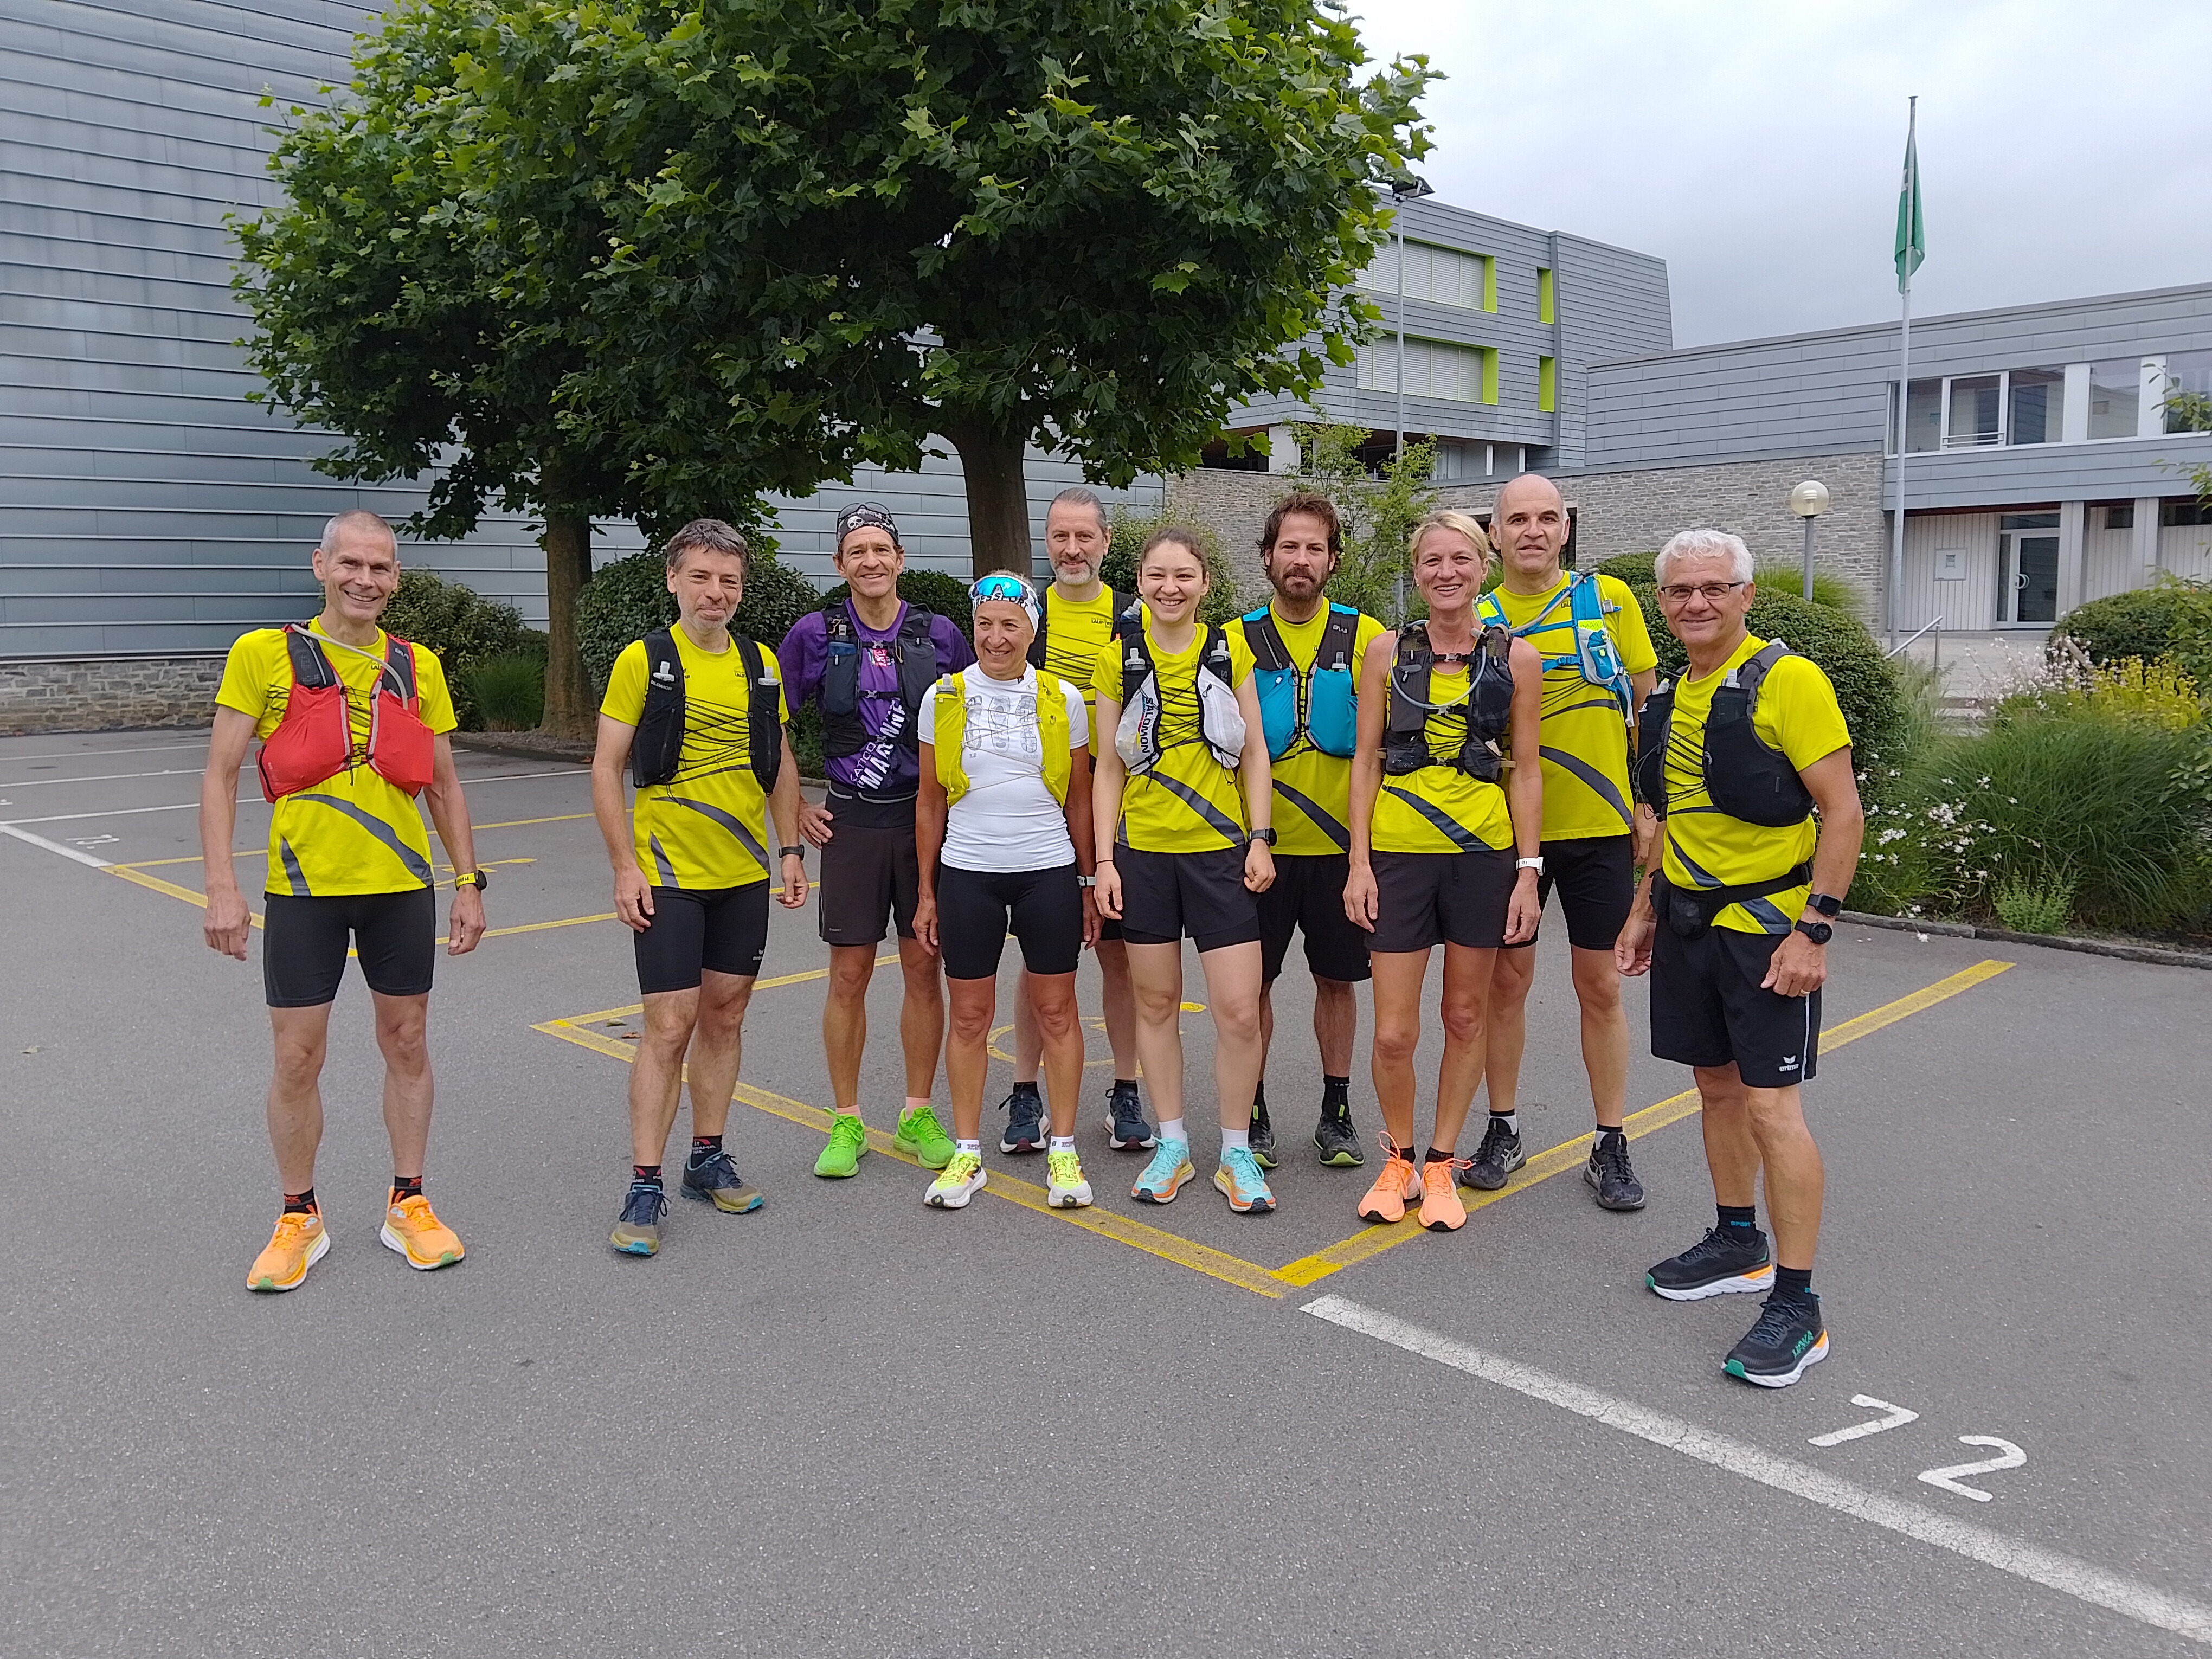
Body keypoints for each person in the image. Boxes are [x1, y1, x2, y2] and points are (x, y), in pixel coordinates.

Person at [198, 510, 485, 1293]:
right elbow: (220, 776)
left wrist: (469, 883)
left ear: (396, 578)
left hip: (400, 888)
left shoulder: (419, 665)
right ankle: (300, 1216)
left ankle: (409, 1203)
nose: (365, 579)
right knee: (297, 1056)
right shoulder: (262, 654)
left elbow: (445, 785)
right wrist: (222, 886)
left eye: (380, 567)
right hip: (304, 891)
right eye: (351, 564)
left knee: (408, 1042)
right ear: (320, 565)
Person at [1617, 529, 1863, 1387]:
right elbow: (1673, 816)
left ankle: (1798, 1304)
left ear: (1746, 595)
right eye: (1680, 591)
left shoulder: (1790, 681)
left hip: (1768, 928)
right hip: (1688, 921)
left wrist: (1813, 931)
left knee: (1772, 1108)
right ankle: (1737, 1241)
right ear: (1663, 603)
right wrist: (1645, 909)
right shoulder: (1668, 696)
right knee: (1715, 1087)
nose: (1696, 603)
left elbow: (1843, 813)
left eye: (1714, 588)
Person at [591, 519, 809, 1257]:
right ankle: (644, 1182)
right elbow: (605, 767)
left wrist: (790, 851)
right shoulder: (644, 660)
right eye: (702, 578)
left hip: (743, 873)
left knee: (726, 1015)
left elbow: (779, 761)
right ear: (674, 580)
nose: (716, 593)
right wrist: (625, 866)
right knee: (669, 1025)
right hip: (669, 875)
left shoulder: (759, 662)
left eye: (729, 581)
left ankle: (707, 1157)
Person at [1345, 510, 1544, 1233]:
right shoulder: (1385, 652)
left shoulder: (1518, 659)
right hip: (1398, 855)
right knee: (1394, 1033)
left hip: (1482, 858)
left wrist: (1528, 873)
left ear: (1483, 567)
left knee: (1464, 1016)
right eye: (1432, 561)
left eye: (1460, 559)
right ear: (1416, 571)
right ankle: (1398, 1158)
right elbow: (1365, 761)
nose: (1446, 572)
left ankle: (1440, 1163)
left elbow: (1527, 771)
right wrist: (1358, 864)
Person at [1473, 474, 1660, 1207]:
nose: (1533, 531)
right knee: (1505, 985)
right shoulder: (1478, 615)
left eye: (1547, 518)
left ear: (1565, 529)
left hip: (1598, 828)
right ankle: (1504, 1126)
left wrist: (1647, 802)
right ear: (1495, 534)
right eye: (1518, 519)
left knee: (1601, 987)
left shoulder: (1608, 601)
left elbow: (1647, 709)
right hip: (1506, 835)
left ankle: (1610, 1140)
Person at [780, 504, 974, 1180]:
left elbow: (976, 713)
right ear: (840, 564)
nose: (871, 561)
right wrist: (795, 807)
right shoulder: (814, 633)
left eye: (881, 549)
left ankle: (917, 1114)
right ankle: (847, 1120)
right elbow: (770, 724)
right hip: (853, 822)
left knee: (924, 968)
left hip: (925, 823)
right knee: (849, 975)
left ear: (900, 559)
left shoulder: (940, 633)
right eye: (857, 551)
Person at [1091, 526, 1278, 1213]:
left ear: (1205, 584)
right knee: (1155, 1003)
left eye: (1184, 576)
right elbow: (1107, 767)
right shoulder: (1117, 659)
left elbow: (1254, 752)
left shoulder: (1229, 652)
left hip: (1221, 850)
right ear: (1139, 582)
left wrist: (1260, 839)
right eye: (1156, 576)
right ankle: (1172, 1144)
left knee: (1239, 1010)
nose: (1169, 588)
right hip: (1143, 854)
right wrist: (1104, 861)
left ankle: (1235, 1151)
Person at [914, 574, 1099, 1210]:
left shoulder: (1063, 698)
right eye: (985, 624)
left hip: (1047, 869)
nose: (996, 637)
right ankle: (967, 1154)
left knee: (1057, 1012)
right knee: (969, 1017)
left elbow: (1080, 799)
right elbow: (929, 801)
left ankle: (1064, 1149)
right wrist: (927, 892)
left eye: (1010, 625)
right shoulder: (943, 696)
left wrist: (1087, 883)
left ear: (1032, 630)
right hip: (969, 871)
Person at [1000, 486, 1152, 1156]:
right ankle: (1024, 1092)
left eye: (1084, 536)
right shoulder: (1025, 616)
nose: (1071, 549)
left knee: (1120, 957)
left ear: (1106, 542)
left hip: (1120, 807)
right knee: (1039, 961)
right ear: (1047, 542)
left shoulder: (1134, 618)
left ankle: (1125, 1091)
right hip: (1043, 811)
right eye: (1060, 536)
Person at [1237, 491, 1386, 1169]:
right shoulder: (1232, 640)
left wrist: (1365, 857)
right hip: (1258, 852)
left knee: (1337, 980)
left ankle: (1337, 1111)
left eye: (1315, 548)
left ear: (1333, 561)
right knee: (1253, 986)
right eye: (1289, 547)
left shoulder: (1368, 637)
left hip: (1340, 852)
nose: (1301, 560)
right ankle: (1254, 1110)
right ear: (1268, 557)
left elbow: (1381, 749)